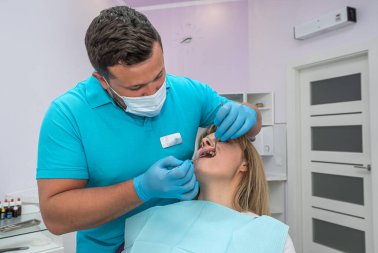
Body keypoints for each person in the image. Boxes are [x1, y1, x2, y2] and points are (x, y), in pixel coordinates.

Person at [36, 6, 262, 253]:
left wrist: (251, 115)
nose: (154, 92)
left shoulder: (188, 92)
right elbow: (55, 217)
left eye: (159, 76)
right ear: (102, 80)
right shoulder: (67, 115)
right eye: (136, 88)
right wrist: (140, 188)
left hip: (182, 241)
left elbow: (247, 128)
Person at [121, 125, 296, 253]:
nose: (205, 141)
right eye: (203, 142)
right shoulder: (153, 218)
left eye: (224, 140)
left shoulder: (271, 236)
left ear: (245, 164)